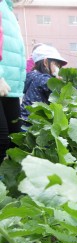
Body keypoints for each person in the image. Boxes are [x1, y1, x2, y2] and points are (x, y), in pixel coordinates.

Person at [0, 0, 26, 163]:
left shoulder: (8, 8)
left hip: (11, 86)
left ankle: (7, 185)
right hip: (1, 81)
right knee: (2, 141)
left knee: (15, 140)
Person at [20, 44, 67, 121]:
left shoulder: (32, 76)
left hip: (24, 121)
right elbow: (64, 91)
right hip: (33, 125)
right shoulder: (43, 79)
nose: (58, 68)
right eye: (56, 64)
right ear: (45, 62)